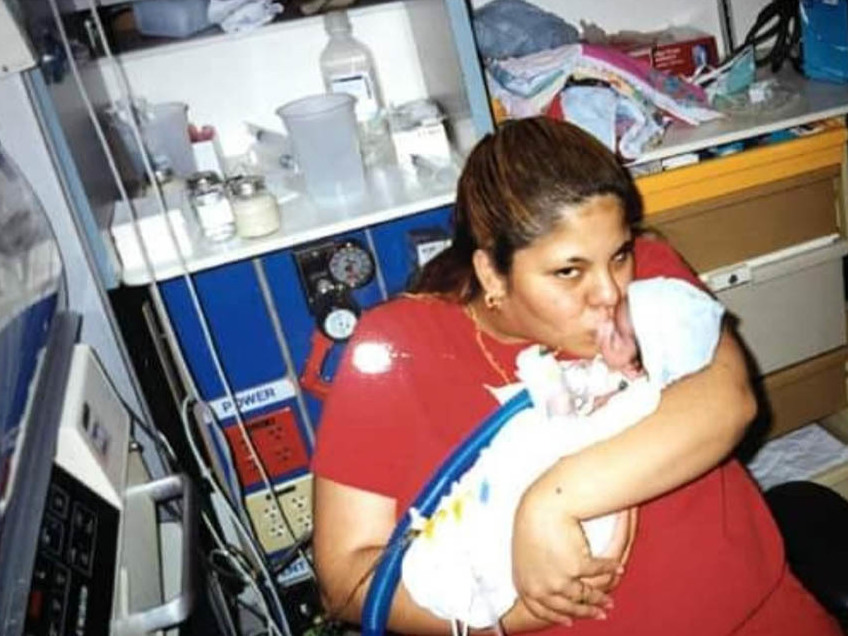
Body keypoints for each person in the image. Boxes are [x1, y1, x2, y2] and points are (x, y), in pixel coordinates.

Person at [311, 117, 841, 635]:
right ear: (491, 273)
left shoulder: (650, 277)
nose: (610, 292)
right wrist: (501, 620)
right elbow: (347, 580)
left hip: (754, 613)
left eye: (618, 256)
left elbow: (728, 402)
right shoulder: (396, 348)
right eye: (569, 271)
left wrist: (551, 504)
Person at [401, 277, 726, 628]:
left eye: (615, 332)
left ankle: (478, 589)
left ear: (640, 366)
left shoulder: (642, 400)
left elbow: (579, 438)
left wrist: (553, 393)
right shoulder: (615, 376)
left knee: (497, 538)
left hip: (586, 516)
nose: (603, 324)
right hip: (556, 489)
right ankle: (457, 565)